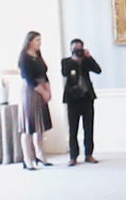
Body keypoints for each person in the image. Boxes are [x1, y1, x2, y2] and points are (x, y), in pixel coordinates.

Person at [60, 36, 102, 163]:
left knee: (88, 128)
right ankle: (73, 156)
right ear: (71, 49)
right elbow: (65, 73)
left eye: (80, 49)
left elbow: (98, 70)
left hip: (87, 98)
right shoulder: (66, 62)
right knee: (73, 129)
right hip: (73, 99)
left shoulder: (86, 61)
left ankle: (89, 154)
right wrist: (75, 61)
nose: (78, 52)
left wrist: (88, 57)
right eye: (75, 49)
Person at [15, 31, 54, 166]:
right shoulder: (24, 58)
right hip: (31, 91)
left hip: (42, 88)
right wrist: (43, 92)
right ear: (30, 41)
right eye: (37, 40)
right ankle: (28, 158)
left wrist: (48, 90)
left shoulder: (38, 55)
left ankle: (40, 155)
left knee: (40, 125)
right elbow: (29, 79)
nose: (40, 42)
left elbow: (44, 73)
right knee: (29, 126)